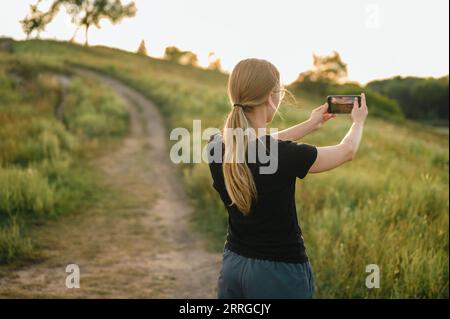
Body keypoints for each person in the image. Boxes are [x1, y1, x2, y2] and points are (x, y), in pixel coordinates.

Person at [206, 58, 368, 299]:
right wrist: (358, 122)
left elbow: (260, 146)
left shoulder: (216, 145)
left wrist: (310, 125)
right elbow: (347, 151)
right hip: (278, 275)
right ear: (272, 96)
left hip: (234, 265)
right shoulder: (284, 155)